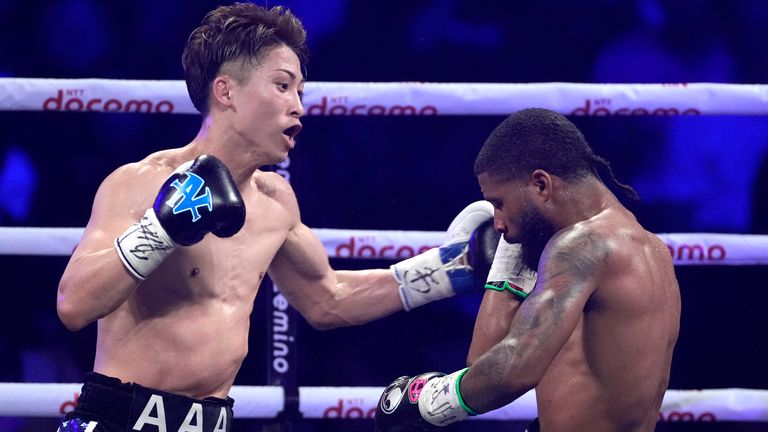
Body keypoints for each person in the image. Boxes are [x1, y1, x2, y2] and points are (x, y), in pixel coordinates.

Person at [55, 4, 503, 432]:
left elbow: (328, 298)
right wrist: (162, 228)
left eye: (300, 92)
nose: (298, 106)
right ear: (226, 91)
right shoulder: (141, 183)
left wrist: (449, 270)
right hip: (119, 418)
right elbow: (74, 305)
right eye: (283, 86)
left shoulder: (276, 202)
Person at [375, 108, 681, 432]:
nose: (497, 222)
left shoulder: (581, 246)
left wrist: (430, 401)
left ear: (540, 184)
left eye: (500, 203)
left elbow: (514, 370)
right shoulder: (652, 250)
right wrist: (510, 250)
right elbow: (483, 361)